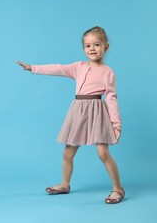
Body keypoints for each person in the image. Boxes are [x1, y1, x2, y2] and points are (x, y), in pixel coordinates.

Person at [16, 26, 124, 204]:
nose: (92, 49)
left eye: (97, 44)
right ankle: (65, 184)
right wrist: (32, 67)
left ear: (106, 47)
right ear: (83, 49)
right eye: (88, 46)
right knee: (67, 153)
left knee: (102, 153)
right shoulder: (78, 67)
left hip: (97, 112)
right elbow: (57, 68)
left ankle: (118, 189)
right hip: (78, 112)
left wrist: (116, 124)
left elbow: (111, 98)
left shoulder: (107, 72)